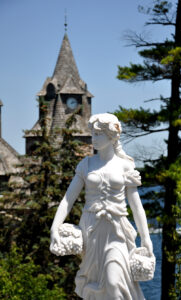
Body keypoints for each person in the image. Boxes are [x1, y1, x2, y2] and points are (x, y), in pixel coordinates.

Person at [50, 113, 153, 300]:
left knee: (114, 283)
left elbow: (137, 207)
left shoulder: (125, 166)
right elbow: (68, 200)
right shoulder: (86, 165)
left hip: (117, 231)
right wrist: (54, 228)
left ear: (111, 135)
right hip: (91, 230)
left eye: (98, 134)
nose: (93, 139)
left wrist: (146, 239)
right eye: (93, 134)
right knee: (95, 284)